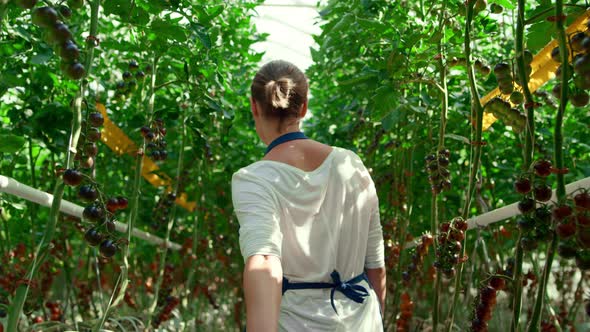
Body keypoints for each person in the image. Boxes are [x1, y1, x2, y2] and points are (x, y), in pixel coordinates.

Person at [231, 60, 386, 332]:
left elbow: (265, 260)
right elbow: (375, 263)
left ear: (254, 107)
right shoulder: (351, 163)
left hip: (297, 323)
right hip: (362, 319)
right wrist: (377, 317)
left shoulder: (254, 179)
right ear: (303, 107)